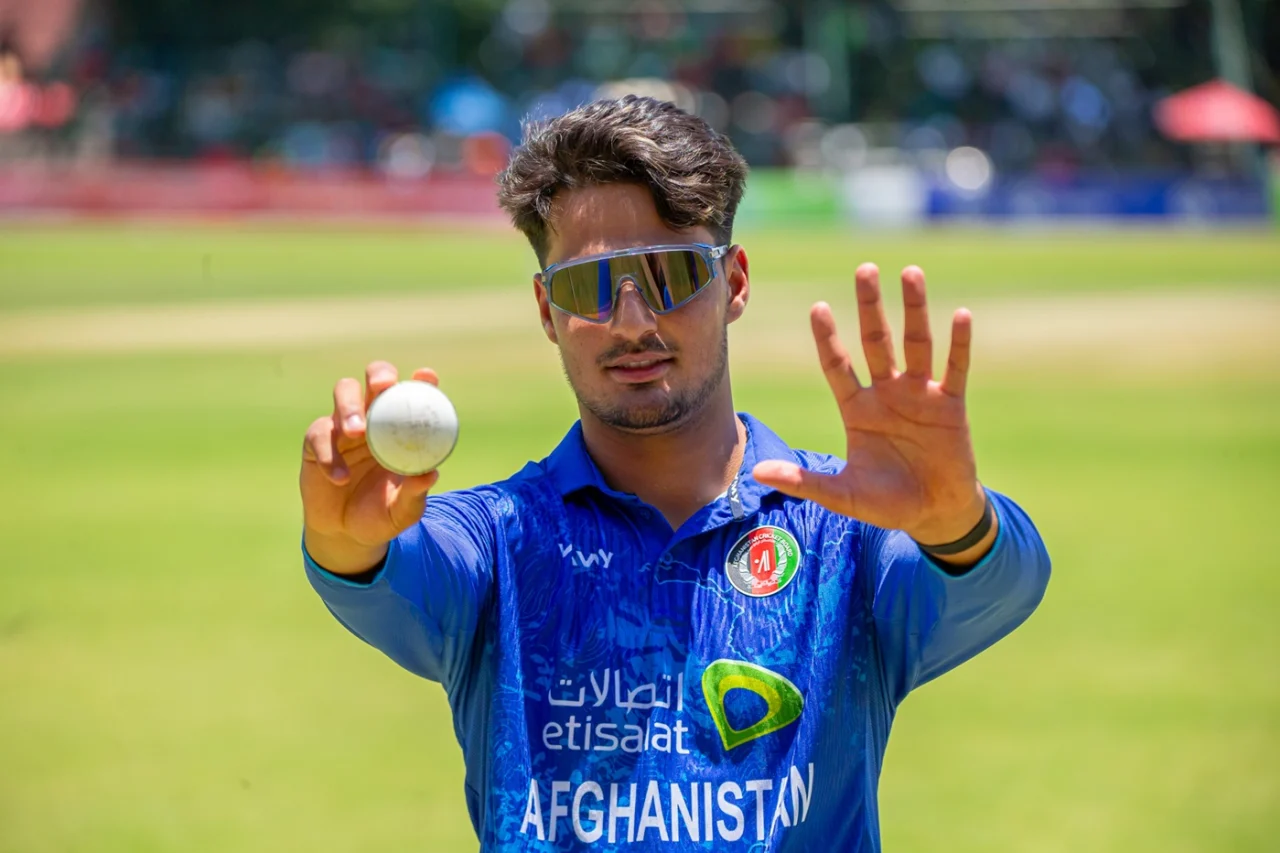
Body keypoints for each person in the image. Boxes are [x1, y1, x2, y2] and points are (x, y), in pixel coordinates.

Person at [299, 95, 1051, 851]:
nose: (631, 321)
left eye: (671, 274)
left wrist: (959, 523)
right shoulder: (500, 540)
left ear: (736, 283)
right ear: (544, 308)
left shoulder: (841, 533)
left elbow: (1005, 584)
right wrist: (343, 540)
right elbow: (392, 576)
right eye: (588, 286)